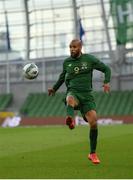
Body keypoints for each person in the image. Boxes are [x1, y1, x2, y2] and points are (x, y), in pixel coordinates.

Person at [48, 39, 111, 164]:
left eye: (74, 47)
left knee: (93, 123)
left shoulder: (90, 59)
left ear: (80, 47)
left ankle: (92, 153)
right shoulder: (67, 62)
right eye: (70, 47)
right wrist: (54, 88)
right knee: (69, 99)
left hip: (87, 96)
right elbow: (62, 77)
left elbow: (106, 69)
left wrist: (106, 82)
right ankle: (70, 120)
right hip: (74, 92)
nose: (72, 49)